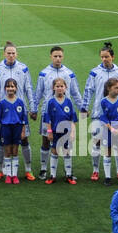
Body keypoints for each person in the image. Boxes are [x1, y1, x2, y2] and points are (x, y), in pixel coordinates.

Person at [32, 46, 84, 180]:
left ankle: (68, 172)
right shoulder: (44, 73)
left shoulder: (69, 73)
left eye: (60, 56)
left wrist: (82, 107)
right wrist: (34, 109)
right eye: (55, 56)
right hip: (47, 114)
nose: (58, 58)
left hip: (65, 115)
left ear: (63, 56)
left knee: (67, 143)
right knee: (45, 141)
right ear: (51, 57)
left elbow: (75, 92)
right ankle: (44, 169)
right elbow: (38, 93)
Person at [0, 41, 34, 182]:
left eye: (13, 53)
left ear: (17, 53)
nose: (11, 55)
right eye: (8, 53)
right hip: (5, 112)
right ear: (4, 54)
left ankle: (28, 169)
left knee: (24, 139)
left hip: (20, 111)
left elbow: (28, 89)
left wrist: (32, 108)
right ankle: (0, 169)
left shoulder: (23, 68)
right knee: (3, 143)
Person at [85, 42, 118, 182]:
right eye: (102, 57)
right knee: (97, 142)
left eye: (106, 57)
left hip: (116, 116)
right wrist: (85, 107)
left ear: (112, 57)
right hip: (98, 114)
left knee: (117, 143)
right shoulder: (94, 72)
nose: (104, 59)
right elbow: (88, 90)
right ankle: (96, 170)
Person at [43, 77, 78, 185]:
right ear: (53, 88)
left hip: (66, 132)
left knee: (67, 151)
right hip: (55, 132)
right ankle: (53, 175)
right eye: (57, 86)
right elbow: (47, 118)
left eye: (61, 86)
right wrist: (49, 131)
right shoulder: (50, 102)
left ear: (65, 88)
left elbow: (73, 118)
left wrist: (72, 132)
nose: (59, 88)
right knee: (54, 151)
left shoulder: (69, 102)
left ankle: (68, 175)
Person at [0, 79, 29, 184]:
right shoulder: (2, 102)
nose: (10, 88)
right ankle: (8, 175)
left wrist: (23, 132)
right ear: (5, 89)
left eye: (12, 86)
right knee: (7, 152)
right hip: (6, 129)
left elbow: (24, 118)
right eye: (8, 86)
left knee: (15, 151)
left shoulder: (20, 102)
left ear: (16, 88)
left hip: (17, 128)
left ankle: (15, 175)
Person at [96, 78, 118, 184]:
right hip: (107, 129)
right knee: (107, 152)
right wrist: (111, 128)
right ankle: (108, 177)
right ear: (109, 88)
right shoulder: (103, 101)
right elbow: (102, 117)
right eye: (116, 88)